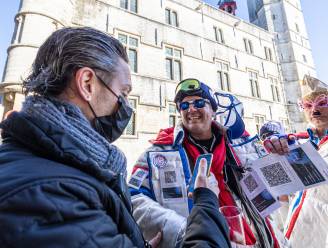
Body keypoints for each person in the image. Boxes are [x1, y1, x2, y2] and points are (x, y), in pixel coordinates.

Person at [0, 27, 231, 248]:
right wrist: (206, 201)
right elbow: (135, 197)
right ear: (87, 84)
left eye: (199, 103)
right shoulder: (48, 192)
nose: (126, 107)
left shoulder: (69, 166)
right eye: (123, 93)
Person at [129, 78, 283, 248]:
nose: (191, 109)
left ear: (213, 110)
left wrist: (280, 150)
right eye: (184, 106)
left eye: (199, 102)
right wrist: (183, 230)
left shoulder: (242, 145)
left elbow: (281, 181)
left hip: (259, 240)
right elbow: (133, 197)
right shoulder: (158, 153)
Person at [263, 75, 328, 248]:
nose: (314, 111)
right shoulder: (299, 143)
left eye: (322, 103)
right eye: (307, 105)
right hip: (296, 238)